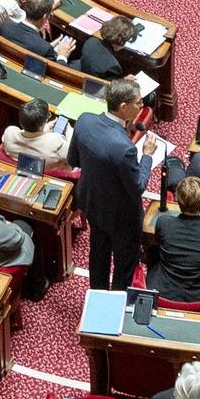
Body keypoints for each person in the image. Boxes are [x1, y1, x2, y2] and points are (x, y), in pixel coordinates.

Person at [72, 87, 154, 291]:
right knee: (125, 264)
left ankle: (97, 296)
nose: (142, 107)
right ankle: (119, 301)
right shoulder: (124, 148)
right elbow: (138, 187)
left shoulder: (84, 120)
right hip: (122, 216)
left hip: (92, 202)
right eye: (138, 103)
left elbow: (73, 159)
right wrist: (147, 156)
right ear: (123, 107)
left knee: (98, 253)